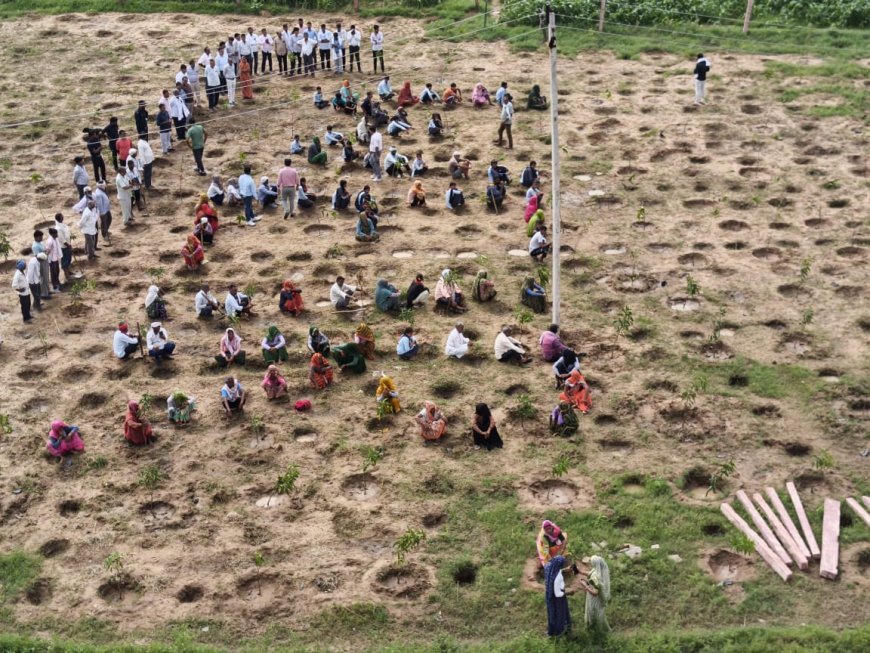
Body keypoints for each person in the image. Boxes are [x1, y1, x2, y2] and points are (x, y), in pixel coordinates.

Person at [544, 555, 572, 637]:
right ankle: (559, 632)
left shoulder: (548, 567)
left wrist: (563, 570)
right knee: (560, 613)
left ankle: (552, 629)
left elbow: (555, 569)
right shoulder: (558, 577)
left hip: (550, 595)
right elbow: (557, 593)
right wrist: (566, 593)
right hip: (558, 599)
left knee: (552, 613)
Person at [583, 556, 611, 631]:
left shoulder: (597, 578)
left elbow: (595, 593)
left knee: (594, 613)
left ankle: (597, 631)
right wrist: (579, 571)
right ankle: (600, 630)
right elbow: (590, 573)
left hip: (595, 599)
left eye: (592, 562)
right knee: (599, 614)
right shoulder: (598, 570)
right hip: (595, 598)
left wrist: (585, 586)